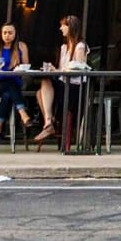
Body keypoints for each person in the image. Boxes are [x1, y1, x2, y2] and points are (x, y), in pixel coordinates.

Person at [34, 14, 88, 148]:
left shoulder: (80, 46)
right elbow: (62, 69)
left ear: (71, 27)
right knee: (42, 87)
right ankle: (49, 122)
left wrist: (59, 71)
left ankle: (49, 122)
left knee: (42, 89)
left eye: (63, 26)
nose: (60, 28)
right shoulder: (64, 47)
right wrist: (54, 69)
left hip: (74, 87)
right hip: (64, 83)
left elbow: (79, 68)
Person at [0, 23, 34, 138]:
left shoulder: (21, 46)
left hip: (13, 80)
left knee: (7, 94)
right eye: (4, 33)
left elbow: (26, 66)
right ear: (0, 34)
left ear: (15, 34)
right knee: (10, 87)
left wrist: (19, 67)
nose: (7, 35)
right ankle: (23, 113)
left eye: (10, 33)